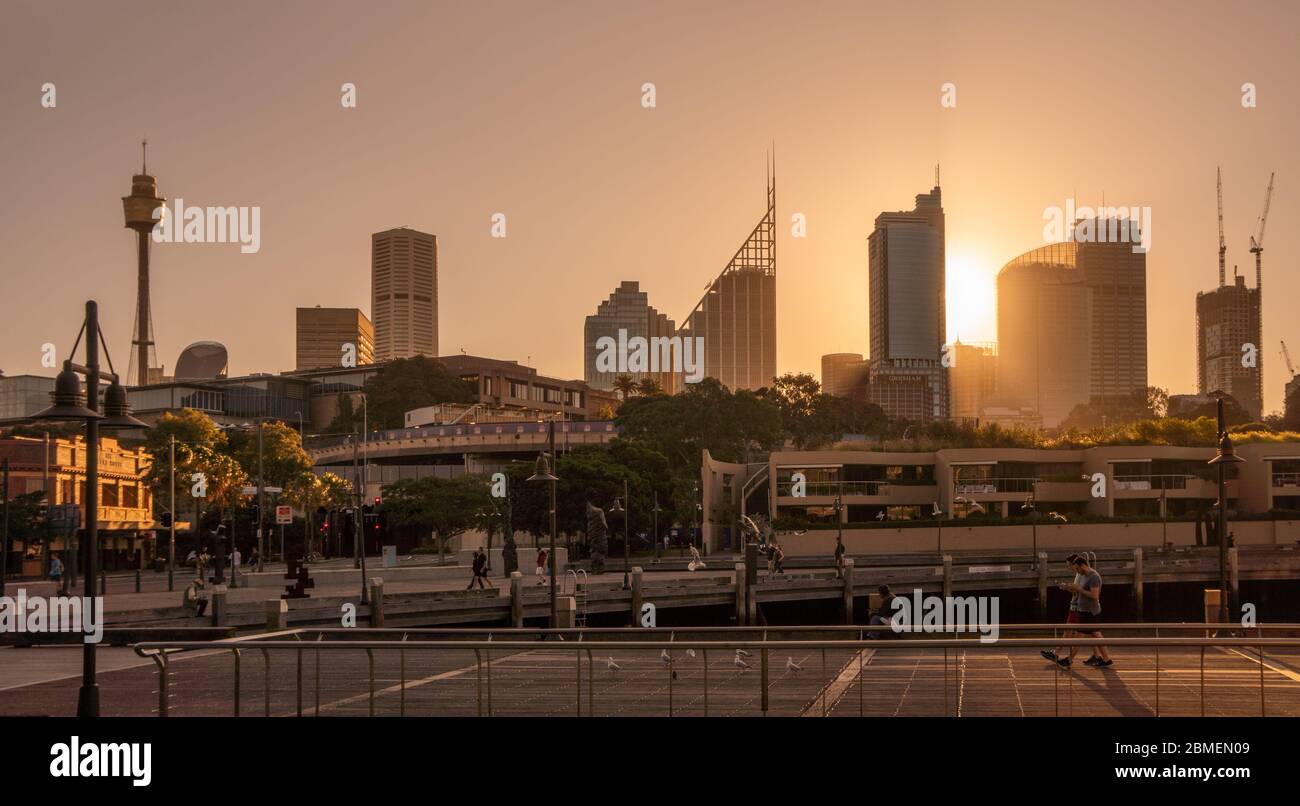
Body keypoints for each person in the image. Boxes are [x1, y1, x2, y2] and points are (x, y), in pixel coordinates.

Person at [1042, 553, 1112, 668]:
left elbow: (1095, 595)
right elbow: (1080, 590)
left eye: (1077, 568)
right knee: (1095, 636)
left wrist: (1078, 589)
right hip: (1084, 610)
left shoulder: (1093, 576)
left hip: (1090, 612)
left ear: (1082, 565)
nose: (1076, 571)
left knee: (1080, 637)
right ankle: (1105, 659)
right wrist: (1073, 588)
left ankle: (1069, 659)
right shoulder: (1084, 575)